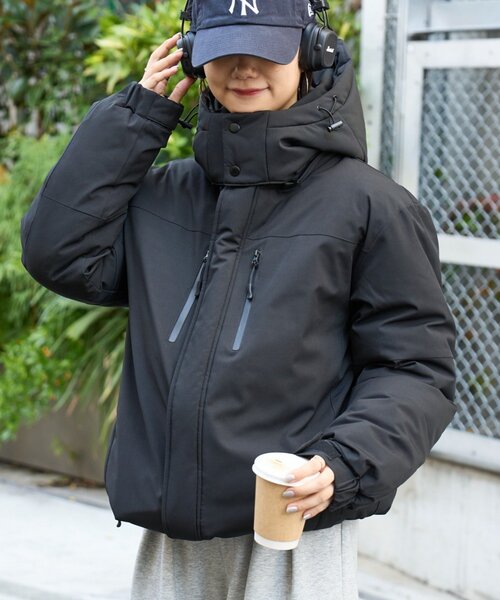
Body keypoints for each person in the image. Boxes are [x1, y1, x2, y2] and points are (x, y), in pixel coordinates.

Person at [20, 0, 457, 598]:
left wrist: (344, 463)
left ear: (310, 51)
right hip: (173, 543)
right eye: (223, 50)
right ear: (194, 60)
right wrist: (135, 116)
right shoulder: (164, 197)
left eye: (265, 48)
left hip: (294, 536)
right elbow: (59, 254)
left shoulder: (372, 208)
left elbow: (414, 368)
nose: (244, 67)